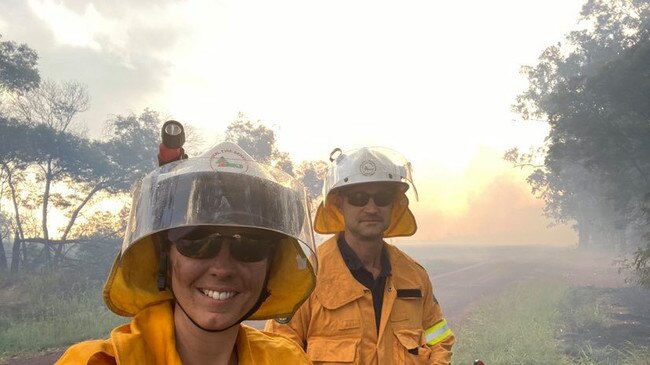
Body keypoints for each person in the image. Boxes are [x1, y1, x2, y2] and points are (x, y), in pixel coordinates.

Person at [56, 141, 318, 365]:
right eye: (197, 241)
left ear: (270, 267)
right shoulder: (98, 362)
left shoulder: (286, 359)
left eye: (250, 246)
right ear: (165, 257)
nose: (222, 268)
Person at [265, 146, 455, 364]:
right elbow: (278, 353)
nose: (371, 208)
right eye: (358, 197)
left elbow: (438, 338)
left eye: (382, 198)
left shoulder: (415, 276)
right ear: (339, 204)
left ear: (394, 205)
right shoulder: (306, 278)